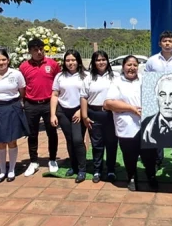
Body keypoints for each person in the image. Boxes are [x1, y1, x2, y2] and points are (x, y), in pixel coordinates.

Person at [104, 55, 158, 191]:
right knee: (129, 155)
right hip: (127, 126)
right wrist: (131, 108)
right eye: (129, 65)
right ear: (123, 66)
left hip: (147, 125)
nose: (132, 68)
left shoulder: (145, 80)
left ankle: (151, 176)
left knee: (149, 155)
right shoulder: (117, 82)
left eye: (135, 65)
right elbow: (109, 103)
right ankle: (132, 177)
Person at [0, 49, 30, 183]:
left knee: (11, 140)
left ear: (8, 60)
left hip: (12, 108)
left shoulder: (16, 74)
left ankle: (12, 170)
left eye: (3, 60)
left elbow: (22, 91)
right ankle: (2, 171)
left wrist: (13, 103)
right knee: (0, 142)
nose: (1, 62)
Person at [145, 30, 172, 175]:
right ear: (160, 43)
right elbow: (147, 82)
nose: (167, 44)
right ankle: (157, 162)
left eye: (170, 41)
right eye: (164, 41)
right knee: (157, 133)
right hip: (157, 102)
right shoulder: (151, 61)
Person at [20, 37, 62, 176]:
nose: (39, 52)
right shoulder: (24, 67)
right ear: (30, 51)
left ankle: (52, 159)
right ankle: (33, 161)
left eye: (41, 49)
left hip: (48, 104)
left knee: (52, 132)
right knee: (32, 134)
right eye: (35, 50)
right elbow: (22, 86)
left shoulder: (53, 64)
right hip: (31, 104)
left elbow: (59, 83)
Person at [81, 51, 119, 184]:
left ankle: (111, 170)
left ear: (108, 61)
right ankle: (97, 170)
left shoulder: (115, 77)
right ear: (93, 62)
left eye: (103, 59)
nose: (101, 62)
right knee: (97, 144)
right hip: (94, 114)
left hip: (111, 115)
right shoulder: (88, 78)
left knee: (112, 144)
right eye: (98, 60)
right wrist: (85, 116)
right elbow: (84, 97)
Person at [50, 50, 88, 183]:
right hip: (63, 112)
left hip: (78, 112)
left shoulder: (85, 76)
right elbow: (55, 95)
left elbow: (89, 96)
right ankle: (74, 166)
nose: (70, 63)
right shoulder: (60, 76)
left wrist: (81, 111)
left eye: (73, 60)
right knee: (70, 140)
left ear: (78, 61)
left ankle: (82, 169)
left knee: (78, 140)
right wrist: (53, 114)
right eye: (68, 60)